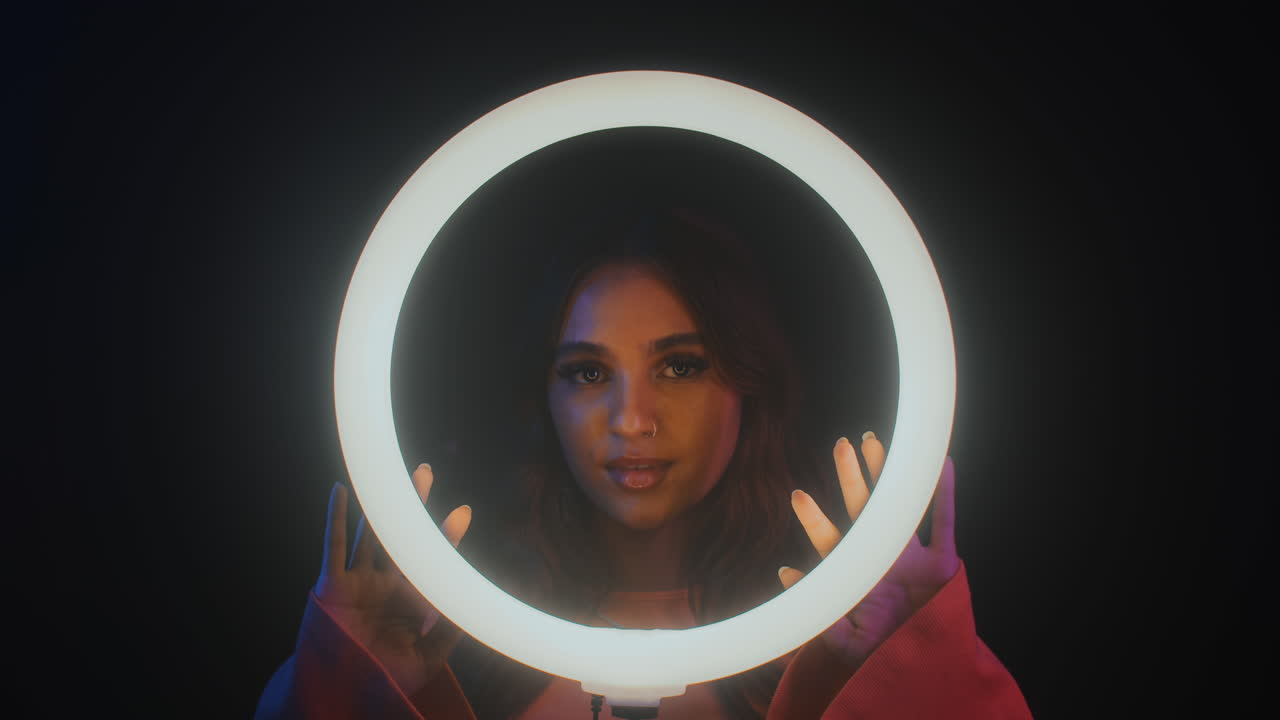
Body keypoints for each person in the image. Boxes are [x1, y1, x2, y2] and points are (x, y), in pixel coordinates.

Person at [256, 208, 1033, 719]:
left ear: (747, 384)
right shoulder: (456, 656)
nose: (632, 418)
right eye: (588, 372)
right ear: (544, 397)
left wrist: (918, 665)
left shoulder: (837, 646)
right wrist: (346, 680)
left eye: (681, 366)